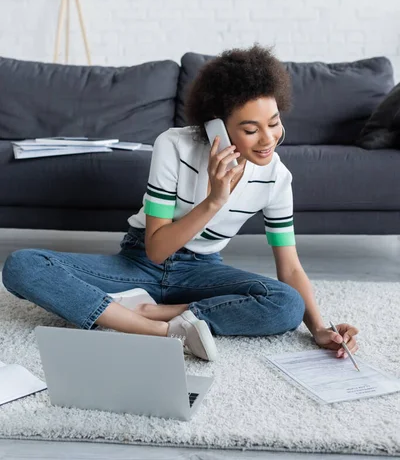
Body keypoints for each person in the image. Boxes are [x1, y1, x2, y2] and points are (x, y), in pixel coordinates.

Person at [2, 44, 359, 362]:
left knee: (287, 304)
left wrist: (317, 329)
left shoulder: (277, 178)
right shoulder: (174, 146)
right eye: (251, 130)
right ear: (216, 127)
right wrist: (214, 199)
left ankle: (157, 312)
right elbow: (157, 250)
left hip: (200, 271)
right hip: (139, 261)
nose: (268, 139)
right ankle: (160, 331)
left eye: (274, 122)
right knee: (23, 265)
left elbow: (291, 268)